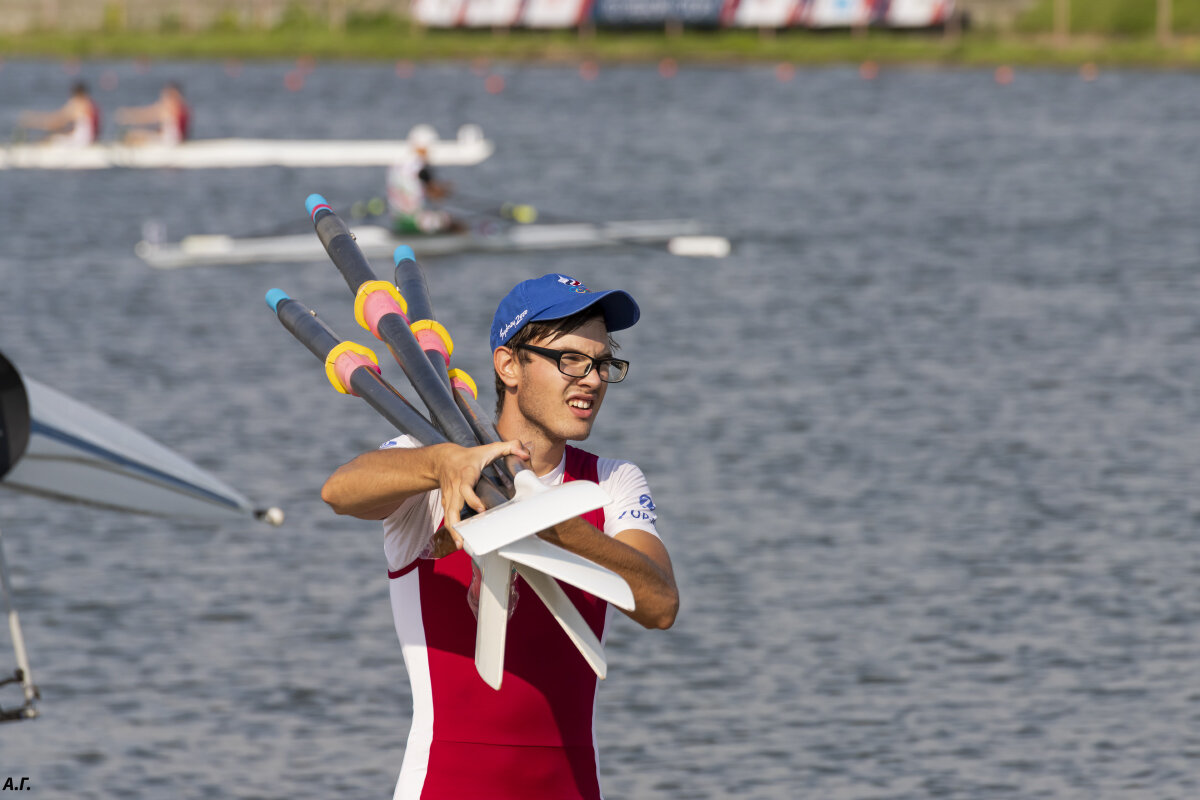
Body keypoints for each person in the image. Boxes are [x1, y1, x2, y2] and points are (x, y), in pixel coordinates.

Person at [321, 273, 679, 799]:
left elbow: (660, 605)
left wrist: (560, 529)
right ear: (509, 365)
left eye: (602, 364)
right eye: (571, 360)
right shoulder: (430, 461)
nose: (592, 379)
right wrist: (439, 462)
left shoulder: (611, 482)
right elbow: (339, 491)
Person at [386, 131, 463, 235]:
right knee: (449, 220)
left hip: (396, 219)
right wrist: (445, 191)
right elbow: (435, 193)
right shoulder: (419, 166)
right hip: (414, 221)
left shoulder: (398, 164)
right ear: (423, 148)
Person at [18, 81, 100, 146]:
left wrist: (32, 122)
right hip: (90, 140)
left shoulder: (77, 103)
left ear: (75, 94)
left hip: (81, 143)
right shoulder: (90, 104)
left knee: (49, 139)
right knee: (57, 134)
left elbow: (56, 122)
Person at [114, 81, 190, 145]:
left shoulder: (170, 108)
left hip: (169, 143)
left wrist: (128, 116)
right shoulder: (182, 107)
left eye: (165, 95)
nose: (163, 98)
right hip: (176, 142)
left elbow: (148, 116)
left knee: (131, 135)